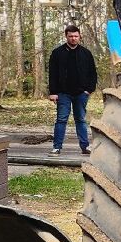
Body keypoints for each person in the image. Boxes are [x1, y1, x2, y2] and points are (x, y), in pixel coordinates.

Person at [47, 24, 98, 157]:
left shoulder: (86, 53)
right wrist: (53, 92)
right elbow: (52, 74)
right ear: (66, 36)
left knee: (80, 119)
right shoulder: (57, 53)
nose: (73, 38)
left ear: (79, 36)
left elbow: (93, 73)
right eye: (71, 36)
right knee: (61, 120)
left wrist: (89, 90)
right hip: (63, 93)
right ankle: (56, 147)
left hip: (81, 93)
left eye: (76, 36)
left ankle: (85, 146)